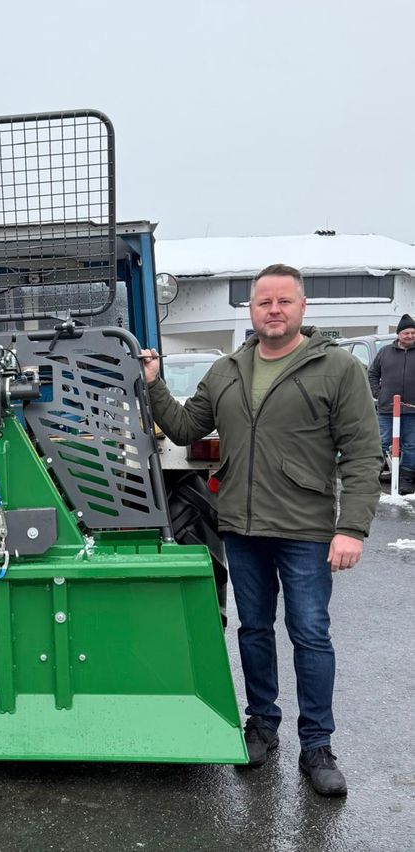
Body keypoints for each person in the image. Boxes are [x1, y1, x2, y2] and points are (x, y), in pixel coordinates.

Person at [140, 264, 381, 797]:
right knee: (253, 630)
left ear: (302, 308)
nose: (274, 310)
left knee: (310, 634)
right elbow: (184, 427)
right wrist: (155, 386)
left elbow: (363, 454)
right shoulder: (226, 370)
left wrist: (352, 528)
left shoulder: (336, 367)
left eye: (284, 301)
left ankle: (317, 745)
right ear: (251, 310)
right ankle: (262, 727)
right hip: (242, 528)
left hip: (306, 528)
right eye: (263, 302)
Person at [368, 314, 415, 494]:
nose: (410, 336)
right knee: (381, 442)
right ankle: (372, 476)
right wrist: (379, 395)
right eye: (406, 333)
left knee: (411, 445)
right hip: (387, 409)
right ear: (399, 335)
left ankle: (405, 479)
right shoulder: (385, 352)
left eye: (413, 332)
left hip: (412, 411)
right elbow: (372, 374)